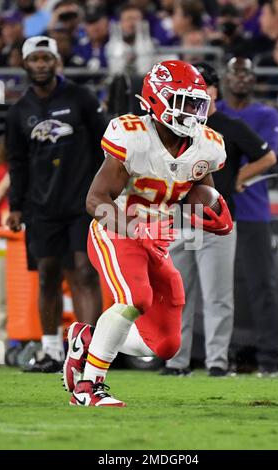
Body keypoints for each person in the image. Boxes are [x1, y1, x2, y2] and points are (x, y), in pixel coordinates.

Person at [63, 60, 233, 407]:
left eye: (196, 103)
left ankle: (90, 341)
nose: (191, 112)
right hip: (116, 228)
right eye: (182, 101)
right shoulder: (132, 134)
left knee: (166, 344)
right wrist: (134, 227)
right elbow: (95, 200)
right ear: (156, 100)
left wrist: (211, 207)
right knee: (135, 298)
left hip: (156, 239)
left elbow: (198, 189)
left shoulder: (207, 144)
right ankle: (89, 387)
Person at [160, 63, 277, 377]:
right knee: (176, 295)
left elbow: (267, 155)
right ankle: (176, 360)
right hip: (181, 217)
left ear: (211, 91)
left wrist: (240, 176)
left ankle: (216, 362)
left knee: (217, 296)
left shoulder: (229, 125)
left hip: (217, 219)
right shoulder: (175, 125)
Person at [6, 36, 107, 372]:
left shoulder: (82, 98)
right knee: (48, 275)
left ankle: (90, 353)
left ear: (56, 62)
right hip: (40, 207)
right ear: (24, 63)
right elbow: (17, 162)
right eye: (34, 59)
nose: (40, 64)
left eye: (46, 58)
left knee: (84, 273)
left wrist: (108, 194)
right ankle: (51, 351)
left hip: (83, 203)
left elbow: (108, 147)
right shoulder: (20, 110)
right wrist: (16, 206)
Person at [217, 56, 278, 376]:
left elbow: (267, 157)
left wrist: (235, 177)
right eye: (235, 73)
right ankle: (220, 358)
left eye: (246, 73)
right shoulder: (213, 113)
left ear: (254, 79)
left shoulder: (266, 113)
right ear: (225, 79)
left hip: (254, 211)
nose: (240, 78)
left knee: (262, 287)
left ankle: (269, 361)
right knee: (218, 291)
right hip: (217, 213)